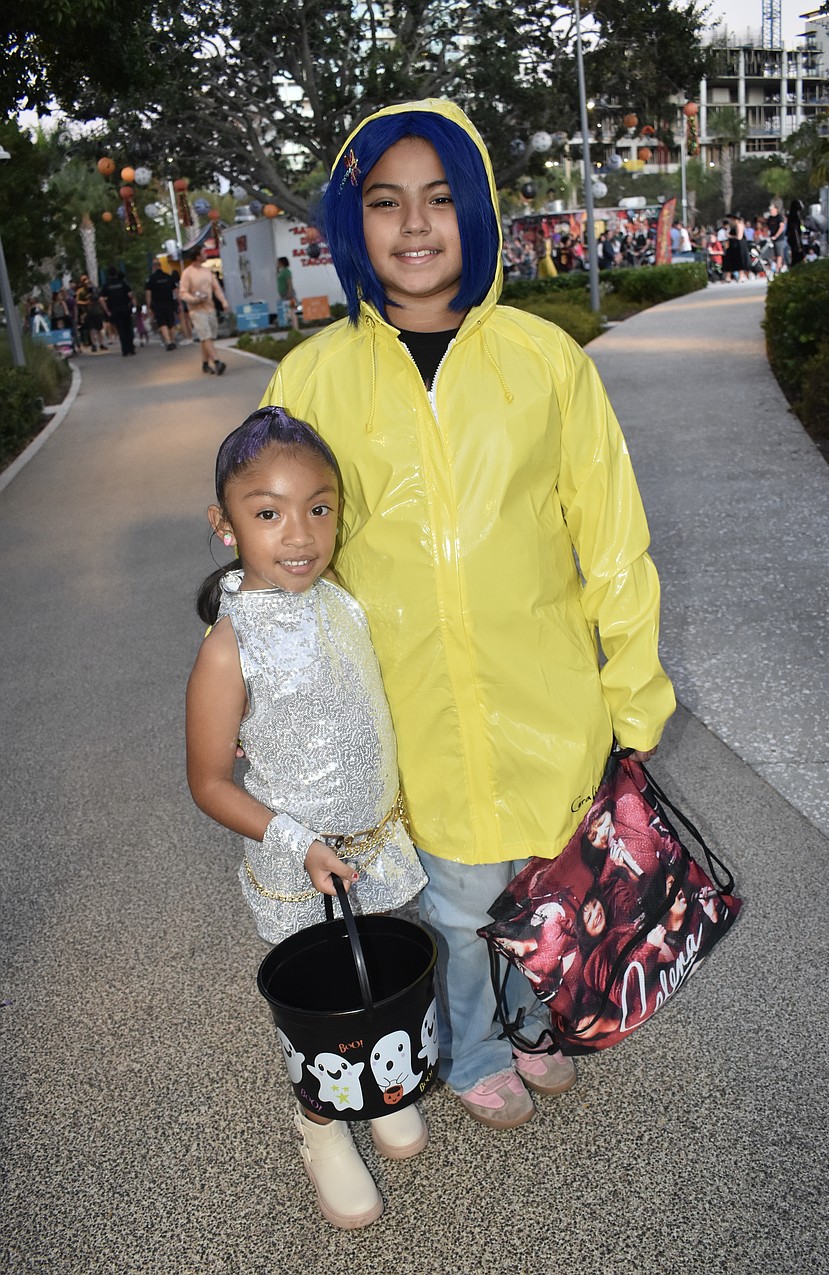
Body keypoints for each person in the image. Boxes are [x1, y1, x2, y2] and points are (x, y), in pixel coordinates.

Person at [259, 99, 675, 1131]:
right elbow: (283, 544)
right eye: (386, 202)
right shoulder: (313, 378)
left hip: (548, 699)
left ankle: (535, 1020)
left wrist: (632, 691)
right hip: (416, 711)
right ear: (351, 224)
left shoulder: (544, 364)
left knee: (550, 887)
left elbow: (612, 538)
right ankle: (478, 1046)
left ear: (477, 212)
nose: (413, 226)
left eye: (440, 200)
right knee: (453, 906)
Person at [185, 407, 428, 1229]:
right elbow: (210, 781)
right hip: (303, 869)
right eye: (268, 512)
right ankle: (320, 1125)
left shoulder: (338, 602)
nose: (300, 533)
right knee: (322, 1008)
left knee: (381, 976)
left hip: (375, 847)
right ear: (225, 526)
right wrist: (299, 840)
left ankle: (380, 1082)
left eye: (319, 507)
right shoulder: (230, 647)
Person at [178, 248, 229, 374]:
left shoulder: (207, 272)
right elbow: (183, 293)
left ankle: (205, 364)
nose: (205, 255)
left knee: (206, 337)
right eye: (203, 253)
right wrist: (194, 299)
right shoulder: (187, 273)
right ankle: (217, 362)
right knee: (205, 335)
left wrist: (223, 301)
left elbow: (216, 288)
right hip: (197, 310)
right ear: (197, 256)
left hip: (210, 308)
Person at [101, 266, 137, 357]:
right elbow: (130, 295)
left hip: (115, 310)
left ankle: (125, 350)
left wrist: (107, 310)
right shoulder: (122, 283)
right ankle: (131, 348)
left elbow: (101, 299)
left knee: (121, 330)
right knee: (128, 328)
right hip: (125, 309)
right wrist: (134, 305)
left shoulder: (107, 285)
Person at [145, 265, 179, 349]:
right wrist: (177, 301)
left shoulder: (151, 279)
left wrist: (149, 306)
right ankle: (173, 340)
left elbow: (148, 293)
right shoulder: (168, 277)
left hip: (158, 304)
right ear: (161, 266)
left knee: (162, 323)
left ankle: (168, 341)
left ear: (153, 268)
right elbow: (175, 290)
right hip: (169, 302)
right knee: (171, 322)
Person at [75, 276, 108, 352]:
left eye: (87, 279)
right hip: (88, 312)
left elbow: (100, 297)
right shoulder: (81, 291)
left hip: (97, 311)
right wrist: (86, 303)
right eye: (84, 280)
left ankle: (101, 344)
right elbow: (77, 301)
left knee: (99, 329)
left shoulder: (95, 289)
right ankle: (93, 344)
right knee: (92, 329)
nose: (86, 281)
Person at [276, 255, 300, 331]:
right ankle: (292, 327)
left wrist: (289, 293)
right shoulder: (281, 271)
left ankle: (296, 328)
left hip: (289, 294)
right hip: (283, 294)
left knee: (292, 310)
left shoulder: (286, 271)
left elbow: (289, 282)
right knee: (287, 311)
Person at [787, 199, 806, 268]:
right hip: (795, 240)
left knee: (796, 258)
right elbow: (794, 230)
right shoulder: (794, 216)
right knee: (798, 257)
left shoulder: (794, 215)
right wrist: (798, 244)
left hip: (794, 240)